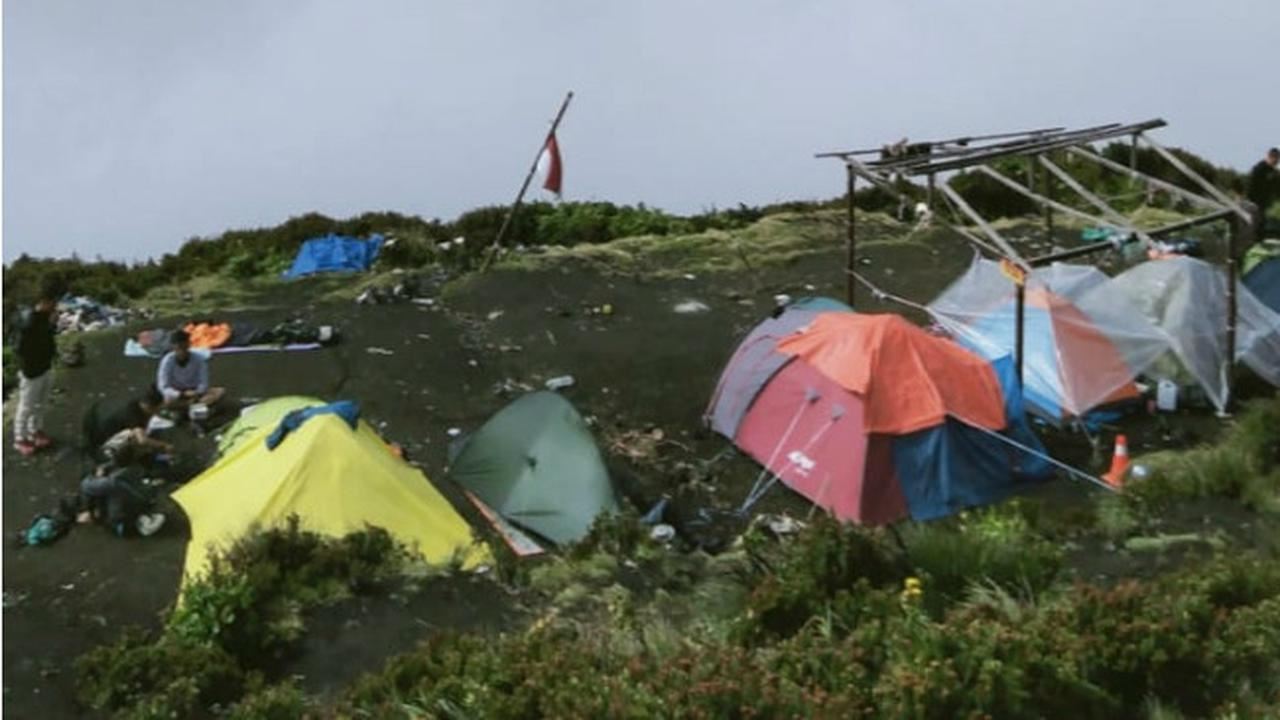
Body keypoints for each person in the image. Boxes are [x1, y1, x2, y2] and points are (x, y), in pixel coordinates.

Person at [11, 280, 60, 456]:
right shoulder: (29, 320)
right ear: (44, 301)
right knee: (26, 406)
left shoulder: (46, 318)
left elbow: (48, 339)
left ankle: (36, 431)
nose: (55, 306)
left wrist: (52, 325)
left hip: (45, 366)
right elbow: (20, 347)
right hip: (31, 370)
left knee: (42, 403)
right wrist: (30, 361)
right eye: (52, 303)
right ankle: (20, 438)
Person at [78, 448, 166, 538]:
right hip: (142, 502)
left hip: (122, 516)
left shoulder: (112, 482)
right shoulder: (135, 468)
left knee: (97, 496)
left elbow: (86, 485)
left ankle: (94, 515)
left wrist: (95, 476)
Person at [83, 385, 173, 464]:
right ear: (150, 407)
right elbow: (142, 440)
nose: (157, 412)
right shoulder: (134, 416)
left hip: (105, 433)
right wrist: (163, 445)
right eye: (156, 410)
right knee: (139, 441)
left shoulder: (137, 404)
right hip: (104, 446)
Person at [156, 329, 225, 413]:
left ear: (188, 345)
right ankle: (195, 405)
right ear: (173, 347)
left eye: (184, 346)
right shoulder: (167, 361)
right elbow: (163, 387)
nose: (182, 350)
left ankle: (191, 405)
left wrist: (197, 392)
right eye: (179, 347)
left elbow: (204, 382)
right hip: (178, 393)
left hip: (195, 392)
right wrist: (181, 394)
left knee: (220, 391)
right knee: (168, 401)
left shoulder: (199, 359)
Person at [1247, 147, 1280, 233]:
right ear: (1270, 157)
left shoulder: (1274, 172)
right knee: (1255, 227)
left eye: (1278, 160)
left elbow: (1277, 189)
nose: (1277, 162)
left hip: (1266, 204)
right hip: (1255, 203)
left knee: (1263, 226)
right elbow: (1251, 186)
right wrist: (1253, 202)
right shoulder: (1259, 169)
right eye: (1276, 159)